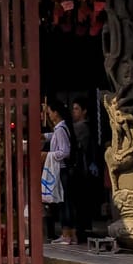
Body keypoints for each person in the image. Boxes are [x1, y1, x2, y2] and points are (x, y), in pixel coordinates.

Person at [65, 96, 105, 244]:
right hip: (85, 170)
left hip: (81, 170)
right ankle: (80, 230)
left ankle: (77, 232)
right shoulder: (86, 126)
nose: (73, 112)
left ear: (84, 111)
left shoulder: (81, 127)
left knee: (78, 202)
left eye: (76, 109)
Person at [41, 98, 71, 245]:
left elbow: (65, 151)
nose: (49, 115)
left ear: (56, 113)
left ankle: (67, 234)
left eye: (50, 112)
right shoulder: (60, 128)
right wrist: (45, 136)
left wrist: (48, 155)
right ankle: (68, 234)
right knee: (63, 201)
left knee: (63, 202)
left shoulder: (60, 129)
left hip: (62, 170)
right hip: (62, 170)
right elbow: (54, 137)